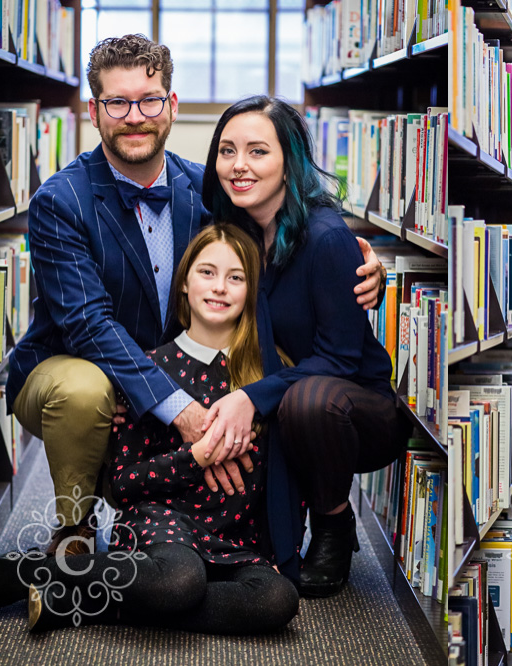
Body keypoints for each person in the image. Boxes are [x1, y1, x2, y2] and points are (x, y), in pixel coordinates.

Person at [5, 34, 386, 557]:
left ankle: (207, 526)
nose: (134, 115)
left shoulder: (209, 193)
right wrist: (176, 405)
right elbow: (88, 325)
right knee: (86, 389)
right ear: (94, 111)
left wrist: (365, 268)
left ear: (172, 107)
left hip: (174, 370)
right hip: (78, 365)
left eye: (149, 99)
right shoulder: (59, 201)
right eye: (117, 102)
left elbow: (266, 266)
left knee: (252, 383)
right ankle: (73, 534)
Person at [0, 224, 300, 634]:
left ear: (252, 291)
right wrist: (194, 458)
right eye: (207, 272)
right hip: (162, 524)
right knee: (179, 580)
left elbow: (282, 474)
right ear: (183, 286)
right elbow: (123, 485)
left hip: (235, 539)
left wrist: (284, 546)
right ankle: (25, 572)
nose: (220, 287)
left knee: (277, 600)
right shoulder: (150, 371)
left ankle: (71, 595)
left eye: (236, 277)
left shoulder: (271, 373)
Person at [197, 96, 412, 597]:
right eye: (227, 151)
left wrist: (252, 397)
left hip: (353, 408)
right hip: (283, 393)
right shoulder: (236, 233)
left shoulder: (326, 238)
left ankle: (334, 522)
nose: (239, 165)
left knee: (307, 400)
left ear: (289, 163)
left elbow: (338, 360)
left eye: (257, 151)